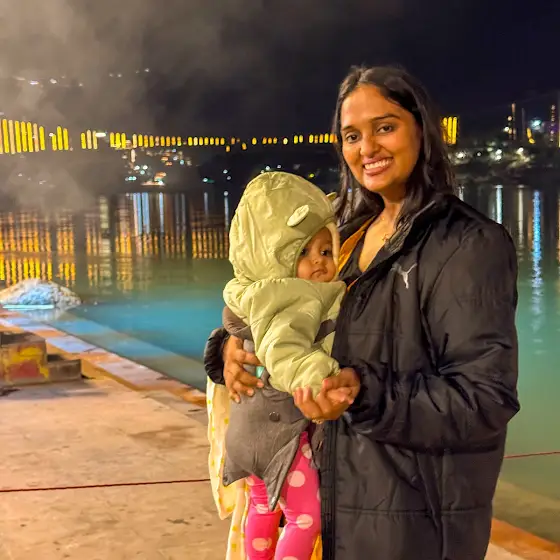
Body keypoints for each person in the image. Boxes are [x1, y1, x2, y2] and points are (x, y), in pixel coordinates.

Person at [205, 65, 520, 560]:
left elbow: (484, 400)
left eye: (385, 127)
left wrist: (363, 392)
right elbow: (276, 302)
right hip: (330, 517)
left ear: (422, 129)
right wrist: (227, 349)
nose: (367, 148)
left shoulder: (467, 245)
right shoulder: (342, 234)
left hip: (409, 528)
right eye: (352, 135)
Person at [208, 171, 353, 560]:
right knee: (305, 517)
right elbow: (284, 351)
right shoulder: (293, 296)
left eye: (326, 252)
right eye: (302, 253)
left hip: (248, 429)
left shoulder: (253, 289)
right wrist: (321, 377)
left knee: (262, 505)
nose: (319, 263)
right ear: (276, 257)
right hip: (279, 430)